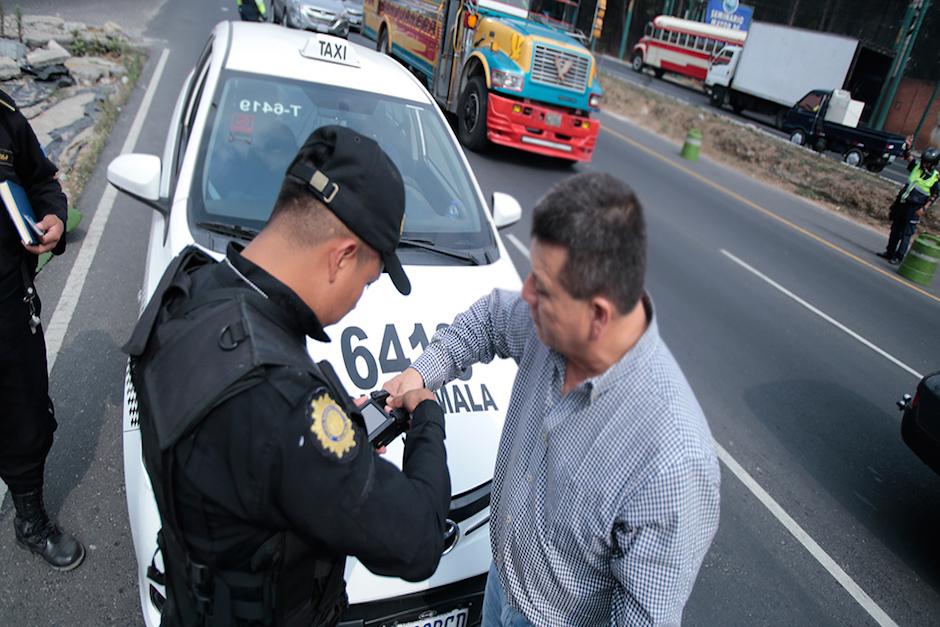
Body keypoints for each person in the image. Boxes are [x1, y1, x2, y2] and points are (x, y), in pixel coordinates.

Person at [124, 126, 451, 626]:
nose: (359, 298)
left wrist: (339, 443)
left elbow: (239, 458)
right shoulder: (284, 404)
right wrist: (426, 415)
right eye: (366, 281)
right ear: (342, 256)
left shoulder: (189, 291)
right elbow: (419, 541)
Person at [385, 172, 721, 626]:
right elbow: (488, 319)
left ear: (597, 315)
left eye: (542, 289)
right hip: (500, 585)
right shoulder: (550, 327)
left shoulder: (671, 461)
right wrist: (419, 374)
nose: (525, 295)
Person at [0, 89, 84, 571]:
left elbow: (41, 180)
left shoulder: (5, 118)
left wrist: (52, 216)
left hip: (7, 310)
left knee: (25, 418)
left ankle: (29, 522)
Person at [878, 147, 939, 264]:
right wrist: (908, 147)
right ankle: (889, 252)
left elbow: (935, 195)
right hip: (903, 203)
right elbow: (907, 157)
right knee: (895, 229)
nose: (925, 164)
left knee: (906, 233)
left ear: (934, 164)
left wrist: (924, 208)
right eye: (924, 161)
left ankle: (899, 257)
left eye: (928, 162)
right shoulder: (916, 168)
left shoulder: (935, 178)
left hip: (915, 208)